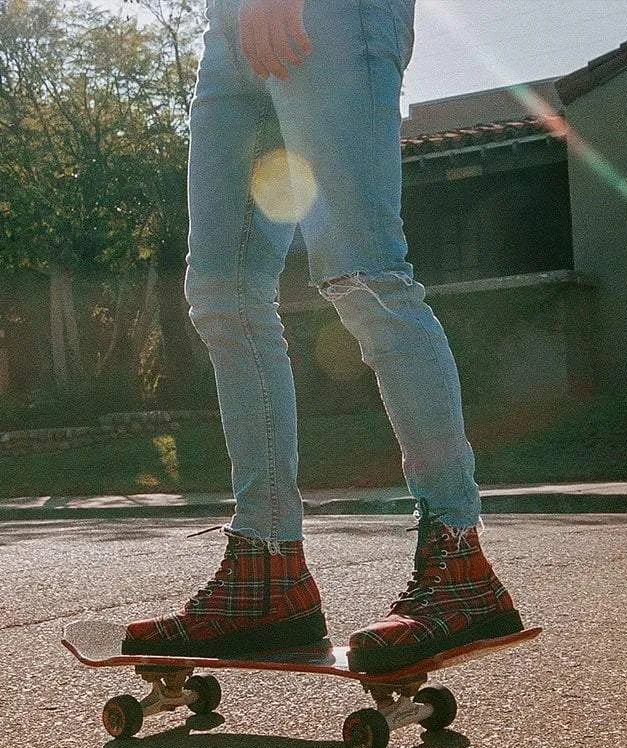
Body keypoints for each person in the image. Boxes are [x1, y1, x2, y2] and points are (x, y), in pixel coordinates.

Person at [123, 0, 522, 673]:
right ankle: (268, 566)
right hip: (231, 27)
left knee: (361, 271)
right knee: (222, 293)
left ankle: (459, 560)